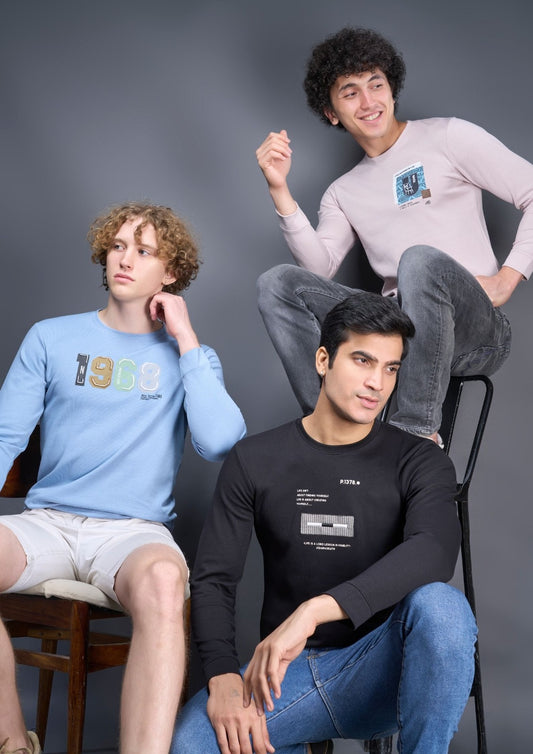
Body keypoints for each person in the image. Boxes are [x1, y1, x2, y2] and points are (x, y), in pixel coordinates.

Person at [172, 292, 476, 754]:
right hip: (286, 676)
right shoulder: (255, 459)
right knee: (189, 744)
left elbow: (433, 550)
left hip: (384, 670)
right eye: (362, 360)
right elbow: (214, 580)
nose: (376, 382)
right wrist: (222, 675)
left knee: (442, 607)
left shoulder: (420, 460)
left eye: (390, 368)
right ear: (322, 360)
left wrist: (314, 610)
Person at [0, 202, 246, 754]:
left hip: (132, 533)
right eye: (117, 246)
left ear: (171, 272)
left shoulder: (193, 357)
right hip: (48, 523)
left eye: (144, 251)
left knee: (164, 581)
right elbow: (4, 436)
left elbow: (220, 441)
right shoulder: (51, 338)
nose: (125, 260)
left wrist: (185, 338)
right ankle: (13, 743)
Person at [255, 26, 532, 443]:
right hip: (396, 323)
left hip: (474, 327)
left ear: (391, 89)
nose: (368, 102)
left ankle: (415, 432)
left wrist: (508, 278)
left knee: (418, 259)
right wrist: (279, 189)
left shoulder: (447, 136)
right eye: (350, 92)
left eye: (376, 85)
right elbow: (319, 268)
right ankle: (332, 428)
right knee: (278, 283)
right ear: (332, 112)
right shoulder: (343, 192)